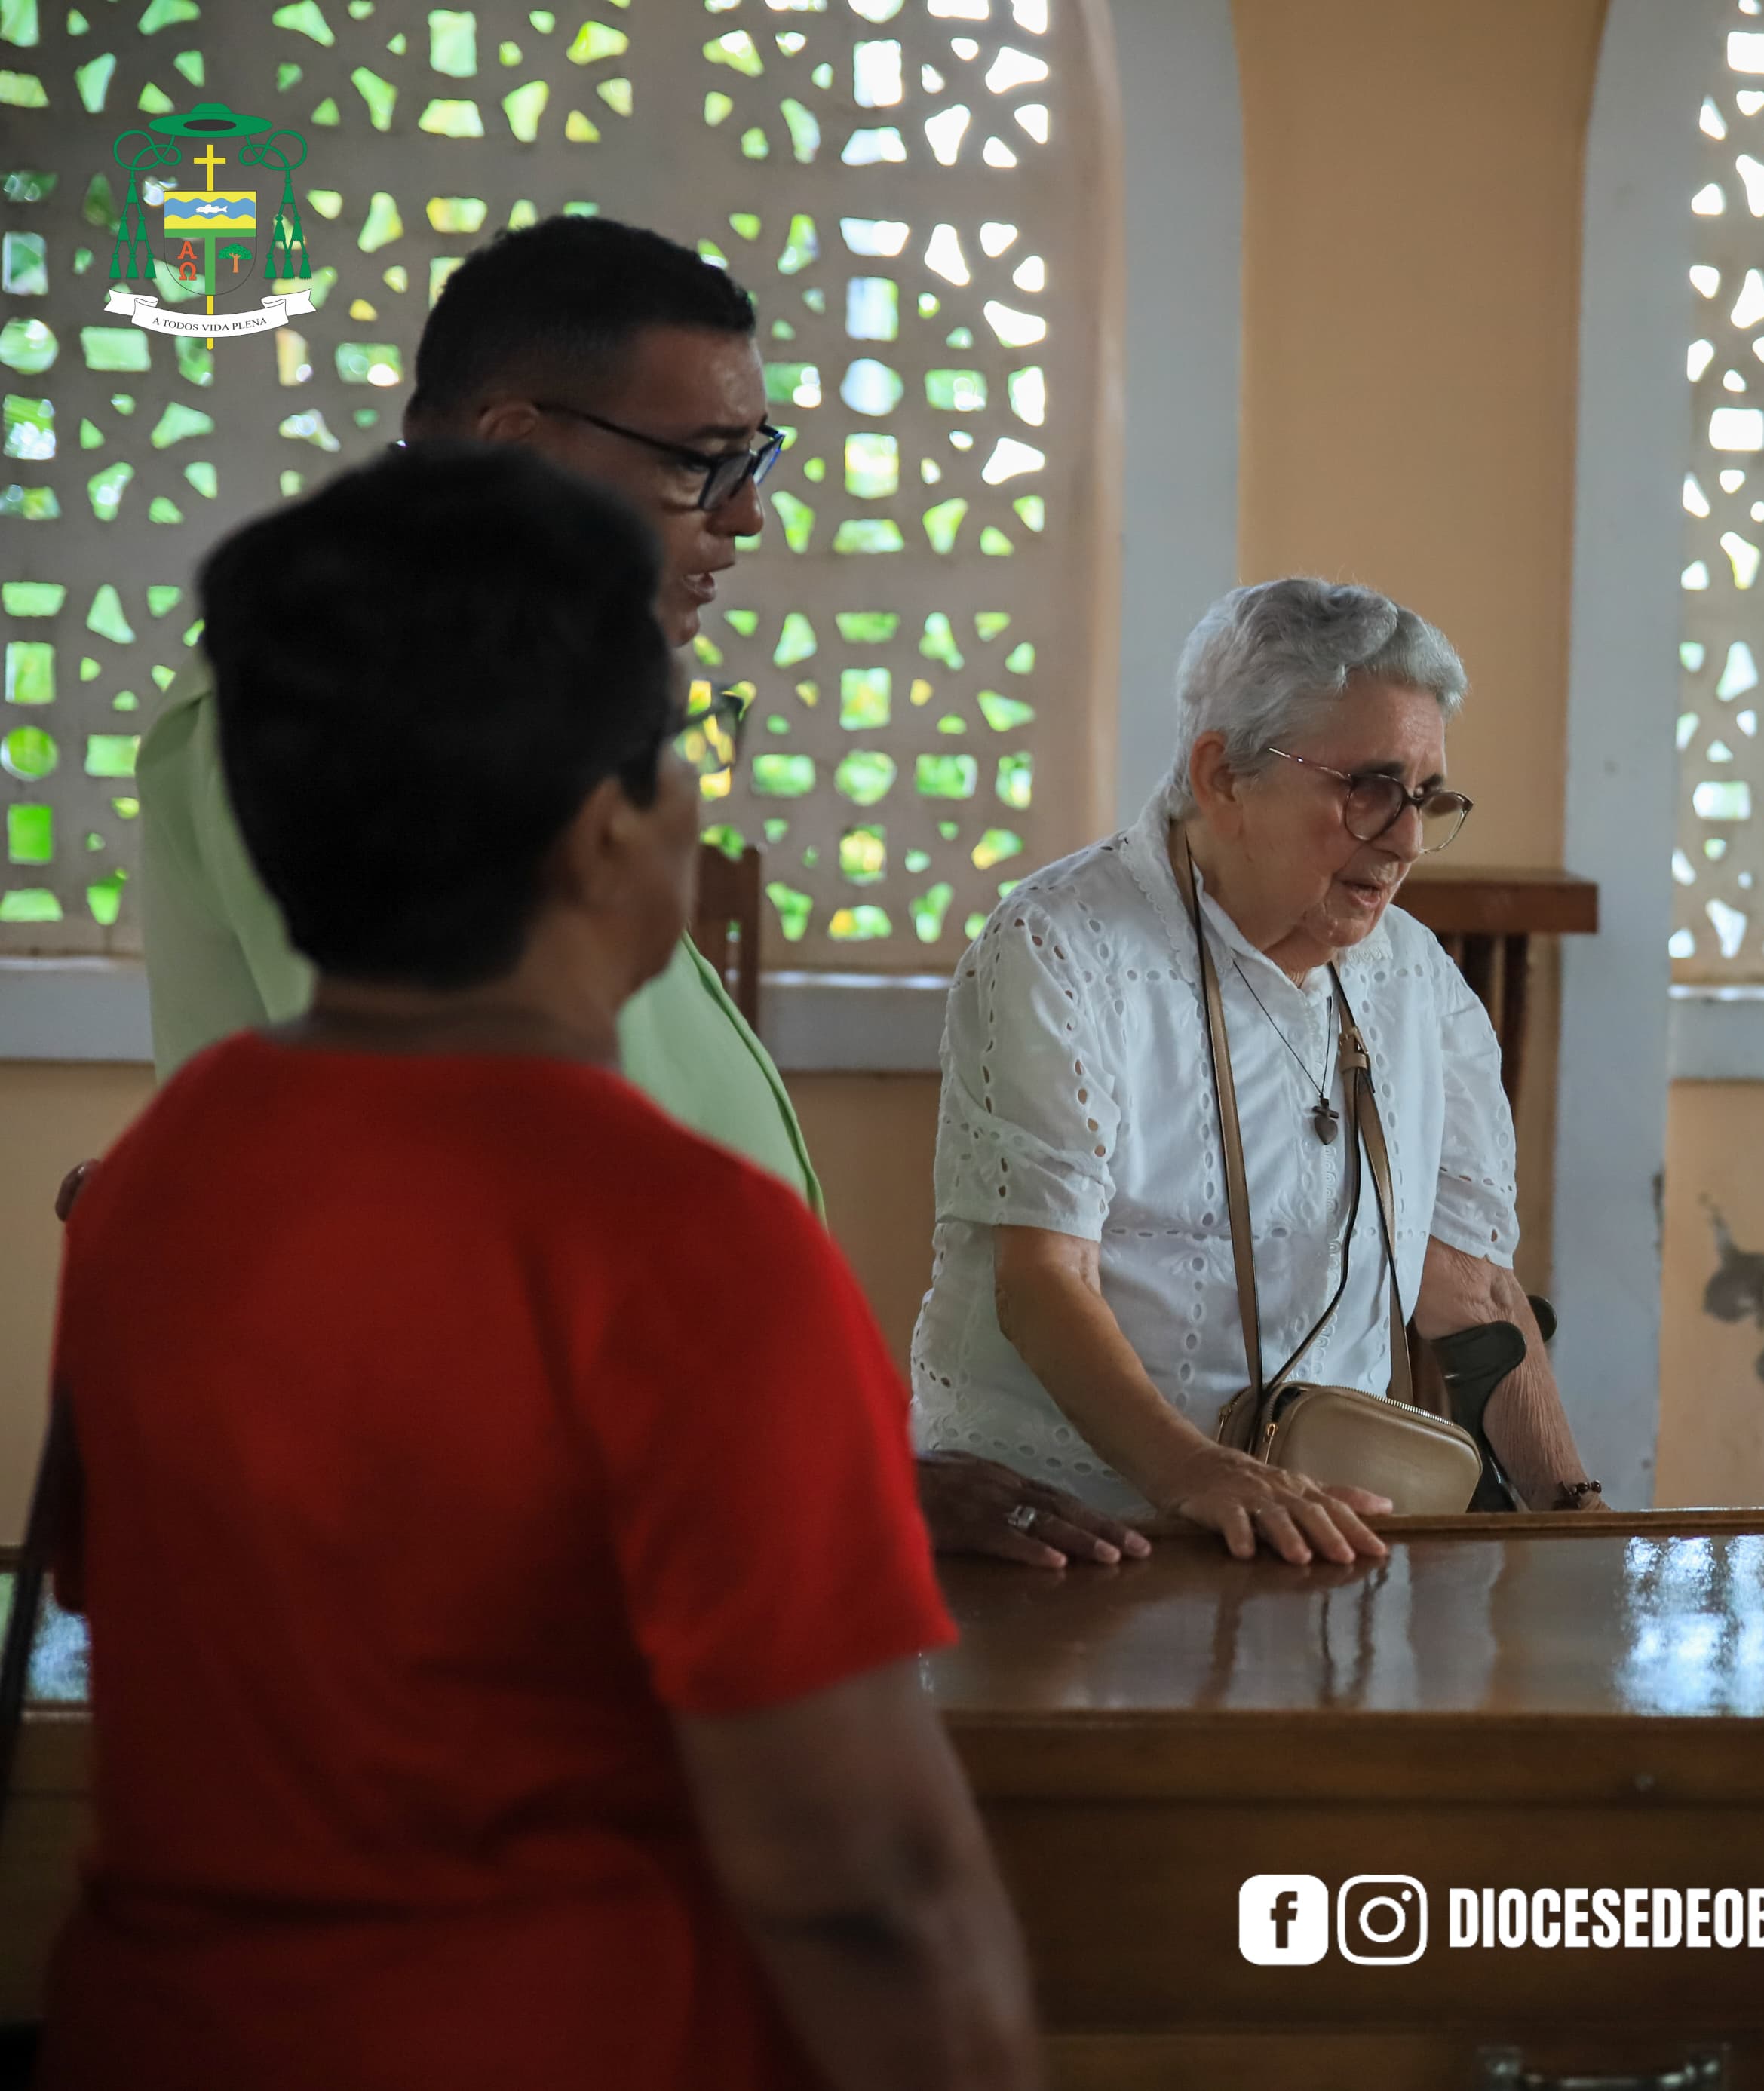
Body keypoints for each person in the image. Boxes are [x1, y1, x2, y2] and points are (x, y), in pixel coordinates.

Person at [44, 447, 1041, 2091]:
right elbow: (867, 1887)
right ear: (604, 832)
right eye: (682, 753)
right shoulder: (686, 1246)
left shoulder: (160, 1178)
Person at [128, 211, 1128, 1570]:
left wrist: (829, 1454)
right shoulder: (327, 722)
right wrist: (811, 1467)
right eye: (701, 465)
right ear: (522, 444)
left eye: (754, 460)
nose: (747, 515)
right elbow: (447, 1199)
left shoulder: (527, 713)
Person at [910, 578, 1606, 1565]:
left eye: (1427, 798)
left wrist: (1583, 1523)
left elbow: (1471, 1290)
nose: (1405, 839)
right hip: (1076, 1538)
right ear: (1223, 777)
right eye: (1367, 788)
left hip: (1320, 1537)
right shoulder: (1063, 947)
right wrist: (1196, 1473)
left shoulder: (1415, 979)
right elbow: (1043, 1281)